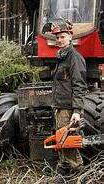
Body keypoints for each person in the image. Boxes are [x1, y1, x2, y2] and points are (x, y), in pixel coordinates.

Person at [50, 20, 87, 175]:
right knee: (62, 141)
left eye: (63, 37)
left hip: (69, 108)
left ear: (70, 37)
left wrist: (77, 111)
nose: (59, 40)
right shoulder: (61, 57)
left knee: (69, 141)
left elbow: (79, 85)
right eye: (57, 38)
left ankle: (77, 173)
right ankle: (65, 171)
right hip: (60, 107)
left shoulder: (74, 58)